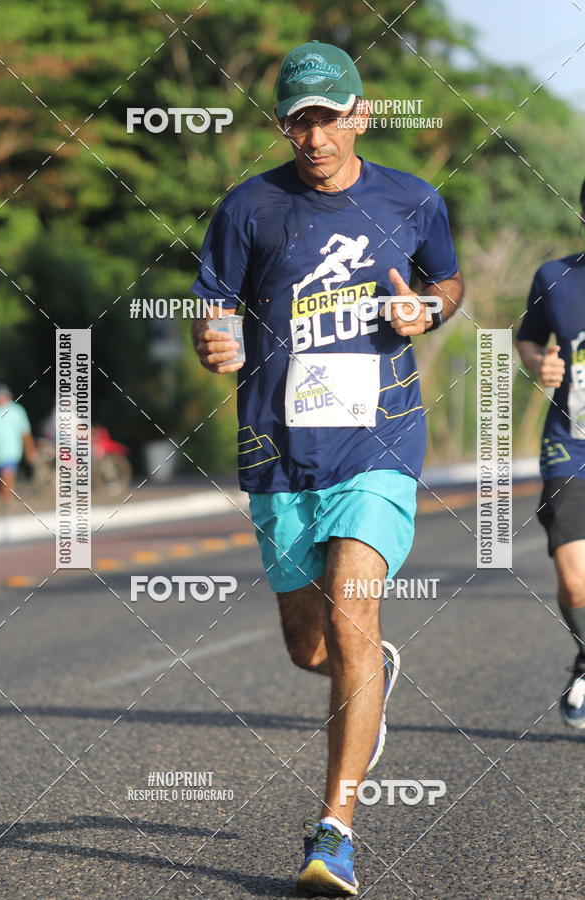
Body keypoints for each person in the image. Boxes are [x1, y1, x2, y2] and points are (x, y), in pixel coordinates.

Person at [191, 40, 463, 896]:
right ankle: (367, 671)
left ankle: (334, 830)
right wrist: (214, 339)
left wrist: (429, 308)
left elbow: (447, 285)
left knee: (352, 609)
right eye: (298, 121)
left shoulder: (413, 199)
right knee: (312, 647)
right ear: (284, 125)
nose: (313, 137)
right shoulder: (247, 209)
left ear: (361, 113)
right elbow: (215, 303)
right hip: (277, 451)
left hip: (378, 443)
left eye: (328, 117)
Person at [517, 179, 585, 730]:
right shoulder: (555, 278)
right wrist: (539, 364)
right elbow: (527, 339)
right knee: (574, 580)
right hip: (572, 443)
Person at [0, 383, 37, 508]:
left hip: (12, 452)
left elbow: (25, 433)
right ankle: (4, 502)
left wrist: (30, 450)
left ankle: (7, 503)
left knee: (7, 475)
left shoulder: (16, 410)